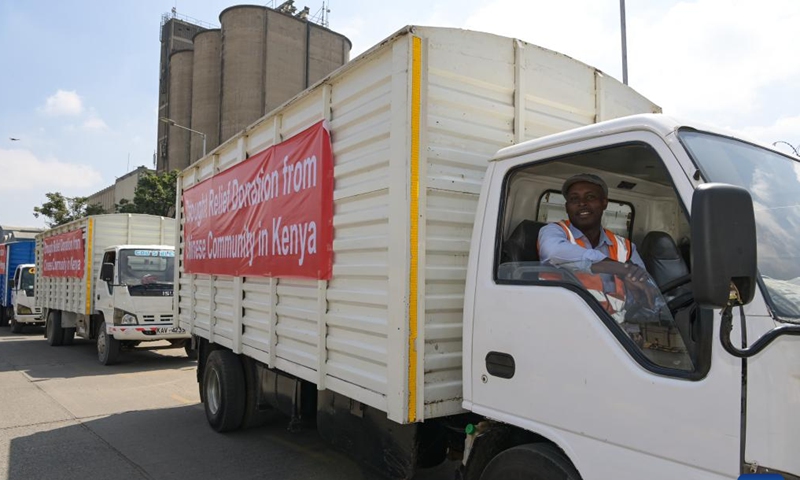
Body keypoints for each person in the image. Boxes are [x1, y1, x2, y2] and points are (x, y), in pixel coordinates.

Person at [537, 173, 661, 324]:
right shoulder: (554, 231)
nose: (582, 203)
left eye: (590, 197)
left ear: (604, 203)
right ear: (567, 207)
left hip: (613, 329)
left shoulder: (625, 246)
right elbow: (553, 253)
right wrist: (620, 269)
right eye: (574, 199)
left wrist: (638, 294)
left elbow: (645, 289)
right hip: (560, 322)